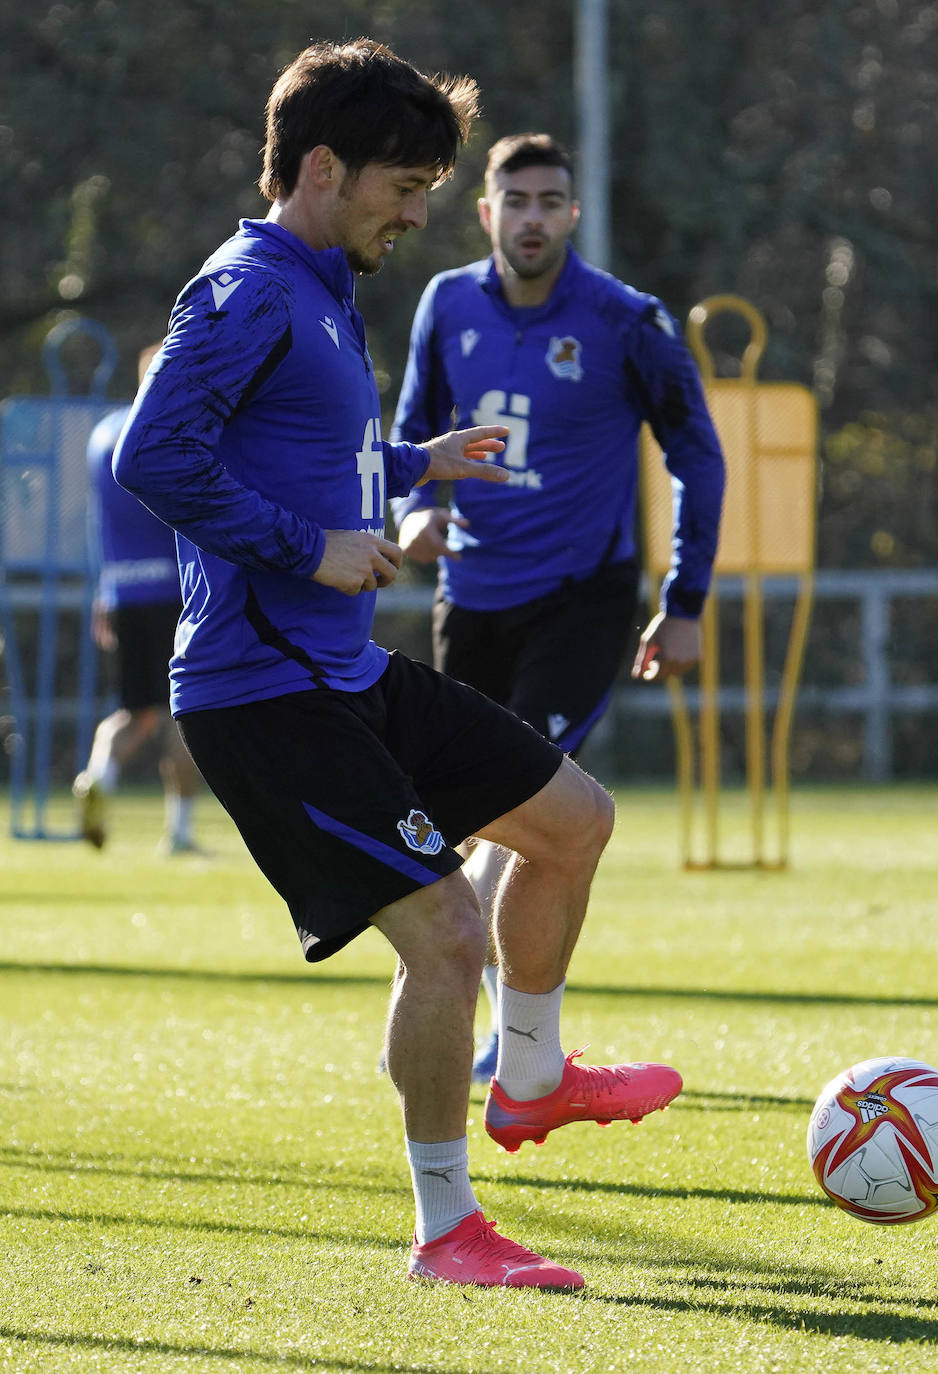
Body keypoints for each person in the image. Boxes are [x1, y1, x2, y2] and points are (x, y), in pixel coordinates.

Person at [113, 39, 683, 1292]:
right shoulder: (248, 289)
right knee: (446, 935)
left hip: (343, 669)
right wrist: (304, 550)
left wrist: (415, 463)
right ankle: (445, 1232)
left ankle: (528, 1076)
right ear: (323, 166)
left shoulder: (321, 285)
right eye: (405, 185)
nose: (420, 213)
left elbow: (299, 457)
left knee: (573, 820)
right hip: (263, 694)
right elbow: (152, 458)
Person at [390, 132, 726, 1081]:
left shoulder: (626, 320)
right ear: (487, 212)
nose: (532, 217)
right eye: (516, 200)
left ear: (571, 215)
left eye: (551, 201)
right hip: (472, 597)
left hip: (581, 600)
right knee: (470, 817)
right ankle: (485, 1023)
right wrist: (420, 508)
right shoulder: (445, 302)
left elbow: (696, 455)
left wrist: (686, 596)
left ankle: (516, 1041)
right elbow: (415, 430)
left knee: (526, 800)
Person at [73, 343, 200, 854]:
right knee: (186, 710)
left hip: (123, 588)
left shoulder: (103, 434)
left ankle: (99, 777)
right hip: (173, 590)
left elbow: (97, 523)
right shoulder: (171, 431)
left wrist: (103, 591)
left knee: (133, 710)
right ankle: (180, 831)